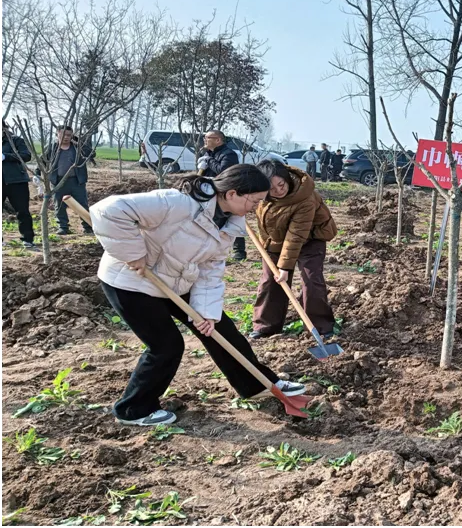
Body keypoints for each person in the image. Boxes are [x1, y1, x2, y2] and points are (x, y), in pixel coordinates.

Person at [90, 165, 306, 427]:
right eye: (254, 201)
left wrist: (206, 314)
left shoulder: (228, 225)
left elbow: (210, 270)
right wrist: (133, 253)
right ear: (232, 193)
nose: (256, 208)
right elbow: (108, 210)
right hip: (133, 282)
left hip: (176, 280)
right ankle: (133, 409)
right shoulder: (177, 203)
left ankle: (257, 384)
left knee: (219, 330)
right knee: (166, 345)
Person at [250, 160, 338, 339]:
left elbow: (296, 235)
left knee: (311, 279)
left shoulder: (304, 197)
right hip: (276, 239)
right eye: (271, 189)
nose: (278, 191)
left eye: (281, 184)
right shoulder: (259, 196)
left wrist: (284, 267)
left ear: (286, 178)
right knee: (270, 280)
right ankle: (266, 326)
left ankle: (320, 327)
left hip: (311, 238)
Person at [198, 130, 246, 261]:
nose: (204, 140)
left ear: (218, 140)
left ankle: (239, 251)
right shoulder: (208, 153)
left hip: (226, 194)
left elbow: (223, 171)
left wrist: (209, 161)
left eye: (207, 137)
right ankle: (209, 251)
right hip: (209, 193)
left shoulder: (229, 154)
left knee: (232, 220)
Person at [45, 125, 92, 235]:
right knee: (59, 205)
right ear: (57, 134)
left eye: (69, 135)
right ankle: (63, 227)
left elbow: (91, 153)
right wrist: (38, 174)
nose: (66, 137)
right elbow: (43, 160)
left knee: (82, 204)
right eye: (63, 134)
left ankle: (88, 227)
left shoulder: (77, 148)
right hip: (58, 181)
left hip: (76, 181)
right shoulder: (52, 148)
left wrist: (79, 142)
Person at [0, 121, 36, 248]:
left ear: (3, 127)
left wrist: (5, 156)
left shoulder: (15, 140)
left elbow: (26, 155)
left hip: (17, 181)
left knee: (22, 211)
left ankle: (28, 239)